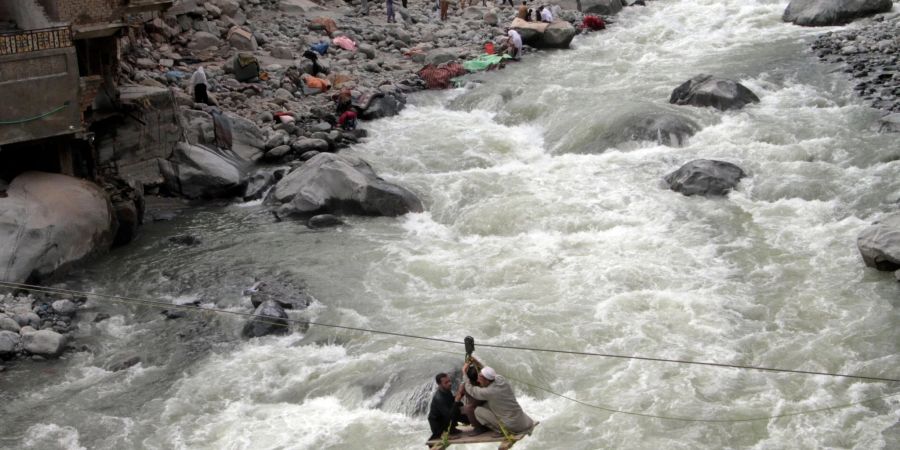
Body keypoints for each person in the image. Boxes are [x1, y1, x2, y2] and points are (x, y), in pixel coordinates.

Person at [460, 363, 534, 435]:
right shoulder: (500, 379)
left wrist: (464, 372)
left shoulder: (489, 392)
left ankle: (501, 430)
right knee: (486, 405)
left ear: (486, 380)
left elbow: (471, 390)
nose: (478, 381)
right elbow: (489, 372)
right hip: (524, 422)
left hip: (512, 426)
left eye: (480, 379)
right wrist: (474, 361)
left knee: (477, 411)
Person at [428, 373, 463, 440]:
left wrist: (461, 393)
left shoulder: (446, 390)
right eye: (446, 382)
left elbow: (452, 400)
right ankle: (445, 434)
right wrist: (456, 401)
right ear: (439, 384)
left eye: (449, 381)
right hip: (438, 426)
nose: (450, 383)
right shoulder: (439, 398)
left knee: (460, 406)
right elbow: (449, 416)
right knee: (455, 408)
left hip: (445, 420)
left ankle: (451, 429)